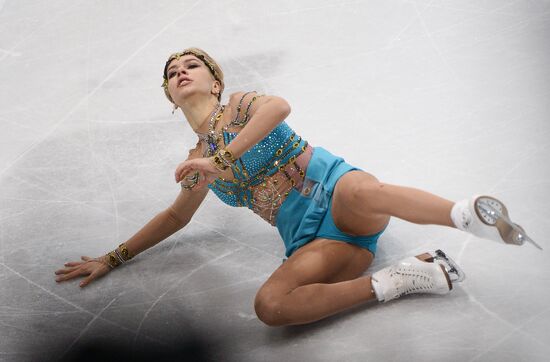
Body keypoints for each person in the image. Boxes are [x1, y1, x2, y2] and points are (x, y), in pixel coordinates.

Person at [54, 48, 541, 327]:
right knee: (270, 307)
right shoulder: (193, 164)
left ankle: (467, 215)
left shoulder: (242, 106)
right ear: (169, 95)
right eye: (171, 74)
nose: (180, 72)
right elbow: (176, 217)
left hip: (337, 192)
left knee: (363, 193)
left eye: (191, 65)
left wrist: (221, 157)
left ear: (216, 81)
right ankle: (405, 278)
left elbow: (280, 108)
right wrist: (112, 256)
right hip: (315, 240)